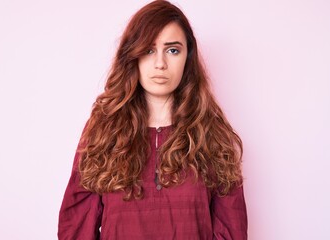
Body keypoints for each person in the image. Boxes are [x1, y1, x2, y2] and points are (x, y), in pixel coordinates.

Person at [58, 0, 247, 239]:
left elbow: (233, 229)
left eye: (172, 50)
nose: (160, 64)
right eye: (149, 50)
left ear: (188, 57)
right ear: (133, 56)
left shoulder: (212, 134)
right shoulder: (103, 132)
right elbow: (76, 226)